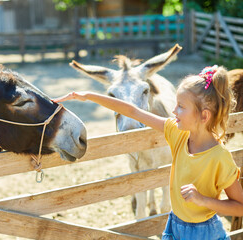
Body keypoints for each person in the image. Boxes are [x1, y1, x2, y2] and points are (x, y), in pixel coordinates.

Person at [54, 65, 243, 240]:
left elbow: (240, 207)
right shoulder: (177, 134)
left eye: (181, 107)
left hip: (205, 234)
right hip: (174, 227)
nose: (173, 111)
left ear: (204, 116)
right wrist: (88, 95)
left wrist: (204, 200)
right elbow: (133, 111)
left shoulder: (220, 158)